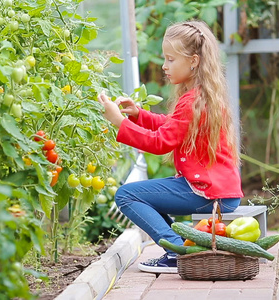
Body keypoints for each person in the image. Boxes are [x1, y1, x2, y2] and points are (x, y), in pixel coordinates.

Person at [97, 20, 243, 274]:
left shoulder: (192, 101)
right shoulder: (201, 96)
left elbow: (160, 142)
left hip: (208, 193)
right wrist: (138, 115)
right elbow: (172, 127)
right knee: (140, 194)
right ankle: (179, 248)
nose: (164, 66)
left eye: (171, 59)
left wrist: (119, 121)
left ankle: (178, 253)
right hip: (217, 191)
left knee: (127, 195)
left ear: (194, 61)